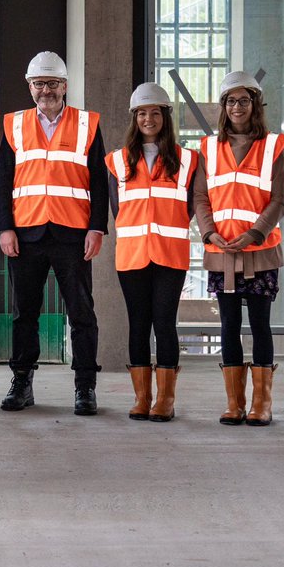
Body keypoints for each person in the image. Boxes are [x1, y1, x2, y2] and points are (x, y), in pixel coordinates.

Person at [0, 51, 109, 415]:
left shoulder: (86, 124)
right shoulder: (14, 124)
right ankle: (22, 382)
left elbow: (99, 182)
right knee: (24, 314)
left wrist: (97, 228)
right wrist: (4, 229)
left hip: (72, 234)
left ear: (65, 86)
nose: (46, 90)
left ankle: (85, 387)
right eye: (39, 83)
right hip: (25, 234)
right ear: (30, 87)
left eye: (53, 83)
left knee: (81, 313)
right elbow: (3, 183)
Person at [193, 70, 284, 427]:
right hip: (221, 254)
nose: (237, 107)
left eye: (244, 100)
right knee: (229, 327)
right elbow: (201, 197)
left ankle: (262, 405)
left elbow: (280, 200)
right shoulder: (207, 148)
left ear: (255, 104)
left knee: (261, 326)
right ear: (223, 106)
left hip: (259, 252)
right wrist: (208, 233)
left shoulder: (274, 146)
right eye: (231, 101)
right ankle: (235, 403)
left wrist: (254, 234)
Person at [108, 83, 197, 422]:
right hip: (131, 255)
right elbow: (118, 209)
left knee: (165, 323)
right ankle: (141, 398)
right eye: (142, 113)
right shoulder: (117, 161)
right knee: (137, 324)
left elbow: (189, 207)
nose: (148, 119)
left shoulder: (186, 160)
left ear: (165, 117)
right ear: (134, 118)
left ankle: (165, 400)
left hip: (170, 256)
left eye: (155, 113)